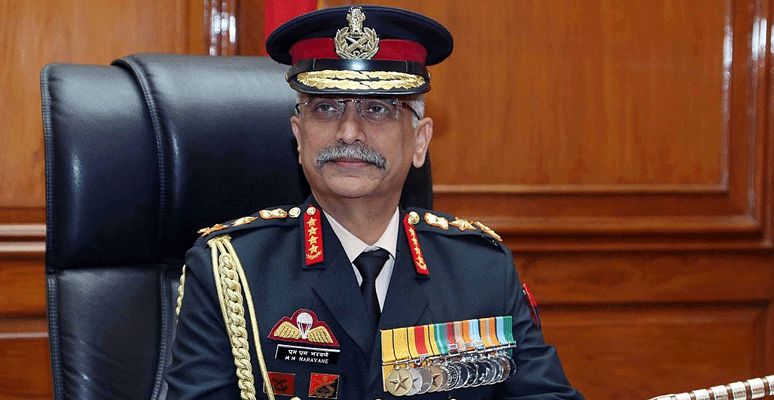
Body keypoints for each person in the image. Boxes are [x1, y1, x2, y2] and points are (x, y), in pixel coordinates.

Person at [166, 5, 584, 400]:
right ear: (299, 136)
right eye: (326, 108)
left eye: (377, 109)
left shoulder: (480, 270)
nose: (349, 132)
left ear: (419, 141)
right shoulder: (231, 272)